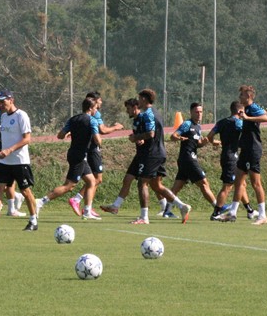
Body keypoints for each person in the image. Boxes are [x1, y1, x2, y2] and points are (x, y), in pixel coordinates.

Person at [0, 90, 40, 231]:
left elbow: (27, 139)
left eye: (3, 101)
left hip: (20, 161)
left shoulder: (21, 115)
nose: (1, 104)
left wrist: (9, 150)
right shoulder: (3, 117)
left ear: (11, 100)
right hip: (4, 162)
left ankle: (33, 220)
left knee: (25, 191)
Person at [129, 89, 190, 225]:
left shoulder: (148, 113)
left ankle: (144, 217)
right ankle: (182, 206)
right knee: (156, 185)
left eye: (139, 98)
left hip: (151, 154)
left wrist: (136, 137)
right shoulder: (156, 113)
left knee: (142, 183)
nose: (138, 101)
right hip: (159, 152)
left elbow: (150, 133)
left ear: (144, 99)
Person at [36, 97, 102, 220]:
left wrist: (74, 133)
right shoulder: (92, 120)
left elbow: (60, 135)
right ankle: (40, 202)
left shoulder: (73, 119)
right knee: (69, 186)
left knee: (91, 181)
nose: (96, 111)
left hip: (73, 153)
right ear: (90, 108)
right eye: (95, 108)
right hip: (79, 156)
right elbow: (97, 140)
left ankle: (87, 211)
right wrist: (98, 142)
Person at [68, 91, 123, 212]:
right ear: (94, 101)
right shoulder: (95, 113)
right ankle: (79, 201)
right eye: (100, 100)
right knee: (97, 179)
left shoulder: (86, 114)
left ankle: (87, 207)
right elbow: (102, 130)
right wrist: (116, 127)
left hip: (86, 149)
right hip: (92, 148)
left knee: (93, 179)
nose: (101, 102)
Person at [168, 102, 217, 215]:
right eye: (197, 112)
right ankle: (218, 208)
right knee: (204, 183)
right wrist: (179, 138)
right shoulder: (187, 124)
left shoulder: (198, 126)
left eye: (201, 112)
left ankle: (167, 210)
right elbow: (173, 136)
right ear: (191, 112)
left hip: (185, 159)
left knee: (177, 187)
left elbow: (197, 144)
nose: (199, 114)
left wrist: (203, 142)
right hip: (188, 159)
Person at [232, 85, 267, 225]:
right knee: (238, 181)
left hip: (253, 149)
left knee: (255, 183)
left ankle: (263, 215)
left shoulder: (252, 108)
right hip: (245, 149)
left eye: (241, 95)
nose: (239, 97)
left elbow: (266, 118)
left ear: (248, 96)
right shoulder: (246, 109)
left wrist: (247, 118)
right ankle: (232, 213)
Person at [208, 101, 251, 222]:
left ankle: (250, 210)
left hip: (226, 155)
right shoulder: (238, 122)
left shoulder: (221, 122)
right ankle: (216, 213)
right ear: (240, 111)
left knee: (241, 184)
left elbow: (210, 136)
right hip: (231, 157)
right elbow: (248, 133)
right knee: (228, 186)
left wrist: (214, 142)